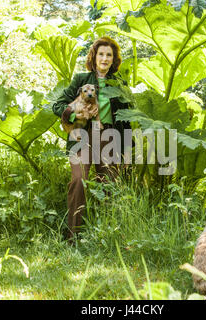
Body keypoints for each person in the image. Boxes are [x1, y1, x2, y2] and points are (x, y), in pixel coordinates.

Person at [52, 36, 131, 241]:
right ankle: (72, 236)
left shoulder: (119, 83)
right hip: (82, 136)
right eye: (101, 54)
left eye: (109, 55)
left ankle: (107, 235)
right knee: (79, 180)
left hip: (109, 138)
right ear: (94, 57)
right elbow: (57, 105)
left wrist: (128, 148)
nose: (104, 59)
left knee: (110, 185)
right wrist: (73, 114)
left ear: (114, 60)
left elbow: (127, 118)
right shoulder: (81, 80)